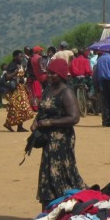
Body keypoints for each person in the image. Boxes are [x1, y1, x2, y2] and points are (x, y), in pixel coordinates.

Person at [30, 58, 87, 210]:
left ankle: (69, 205)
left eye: (53, 74)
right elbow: (43, 110)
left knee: (62, 171)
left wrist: (50, 122)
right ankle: (48, 209)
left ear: (61, 74)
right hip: (49, 140)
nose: (49, 76)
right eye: (48, 73)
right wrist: (36, 121)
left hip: (62, 140)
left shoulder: (66, 92)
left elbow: (74, 117)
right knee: (48, 171)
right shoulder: (49, 89)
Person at [3, 50, 35, 132]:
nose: (21, 58)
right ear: (15, 57)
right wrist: (16, 72)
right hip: (15, 90)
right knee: (17, 108)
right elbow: (7, 77)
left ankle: (14, 125)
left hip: (21, 89)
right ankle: (13, 125)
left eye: (22, 57)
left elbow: (22, 76)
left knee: (20, 108)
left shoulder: (20, 65)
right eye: (20, 57)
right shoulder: (12, 65)